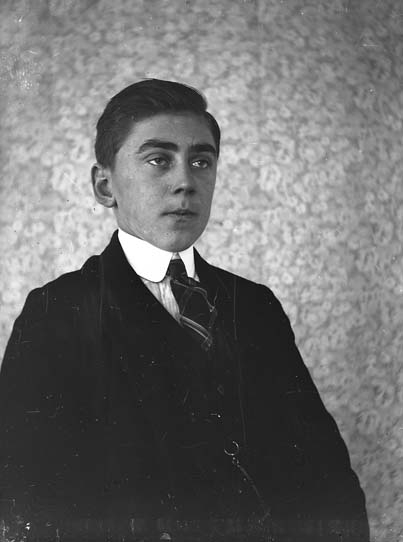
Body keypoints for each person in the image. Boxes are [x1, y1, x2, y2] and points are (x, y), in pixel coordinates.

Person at [0, 79, 369, 542]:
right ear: (104, 185)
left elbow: (327, 475)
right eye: (158, 160)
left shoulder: (254, 305)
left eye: (201, 161)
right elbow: (27, 497)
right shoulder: (58, 311)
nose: (185, 183)